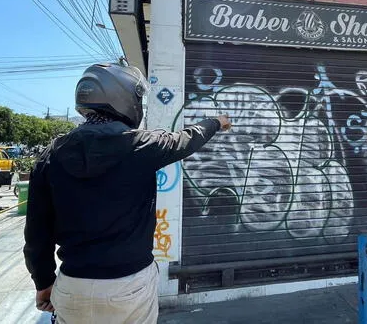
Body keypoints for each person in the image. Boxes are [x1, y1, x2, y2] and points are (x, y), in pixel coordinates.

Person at [23, 63, 231, 323]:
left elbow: (36, 232)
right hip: (129, 285)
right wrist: (217, 121)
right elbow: (187, 138)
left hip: (72, 284)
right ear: (124, 98)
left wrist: (43, 281)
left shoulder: (51, 154)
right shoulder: (142, 145)